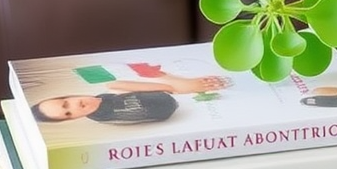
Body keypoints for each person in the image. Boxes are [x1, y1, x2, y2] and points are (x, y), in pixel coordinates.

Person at [32, 72, 230, 125]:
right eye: (68, 114)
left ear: (70, 95)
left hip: (176, 96)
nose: (76, 107)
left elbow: (162, 86)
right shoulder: (105, 119)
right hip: (174, 115)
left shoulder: (109, 85)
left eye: (67, 103)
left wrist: (180, 85)